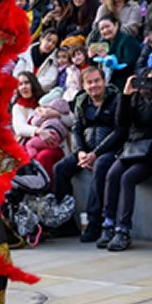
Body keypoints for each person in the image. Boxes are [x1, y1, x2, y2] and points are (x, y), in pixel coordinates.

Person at [98, 68, 152, 251]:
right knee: (113, 173)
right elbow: (122, 123)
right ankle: (108, 223)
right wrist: (125, 96)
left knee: (128, 178)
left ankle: (123, 230)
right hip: (133, 148)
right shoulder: (137, 97)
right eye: (151, 78)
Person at [52, 64, 119, 243]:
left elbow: (119, 131)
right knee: (60, 169)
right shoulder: (82, 102)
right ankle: (65, 222)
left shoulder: (116, 99)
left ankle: (94, 223)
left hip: (110, 151)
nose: (93, 85)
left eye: (97, 81)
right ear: (83, 85)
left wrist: (95, 154)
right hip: (86, 149)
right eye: (89, 82)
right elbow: (77, 129)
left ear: (104, 81)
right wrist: (80, 151)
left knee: (101, 166)